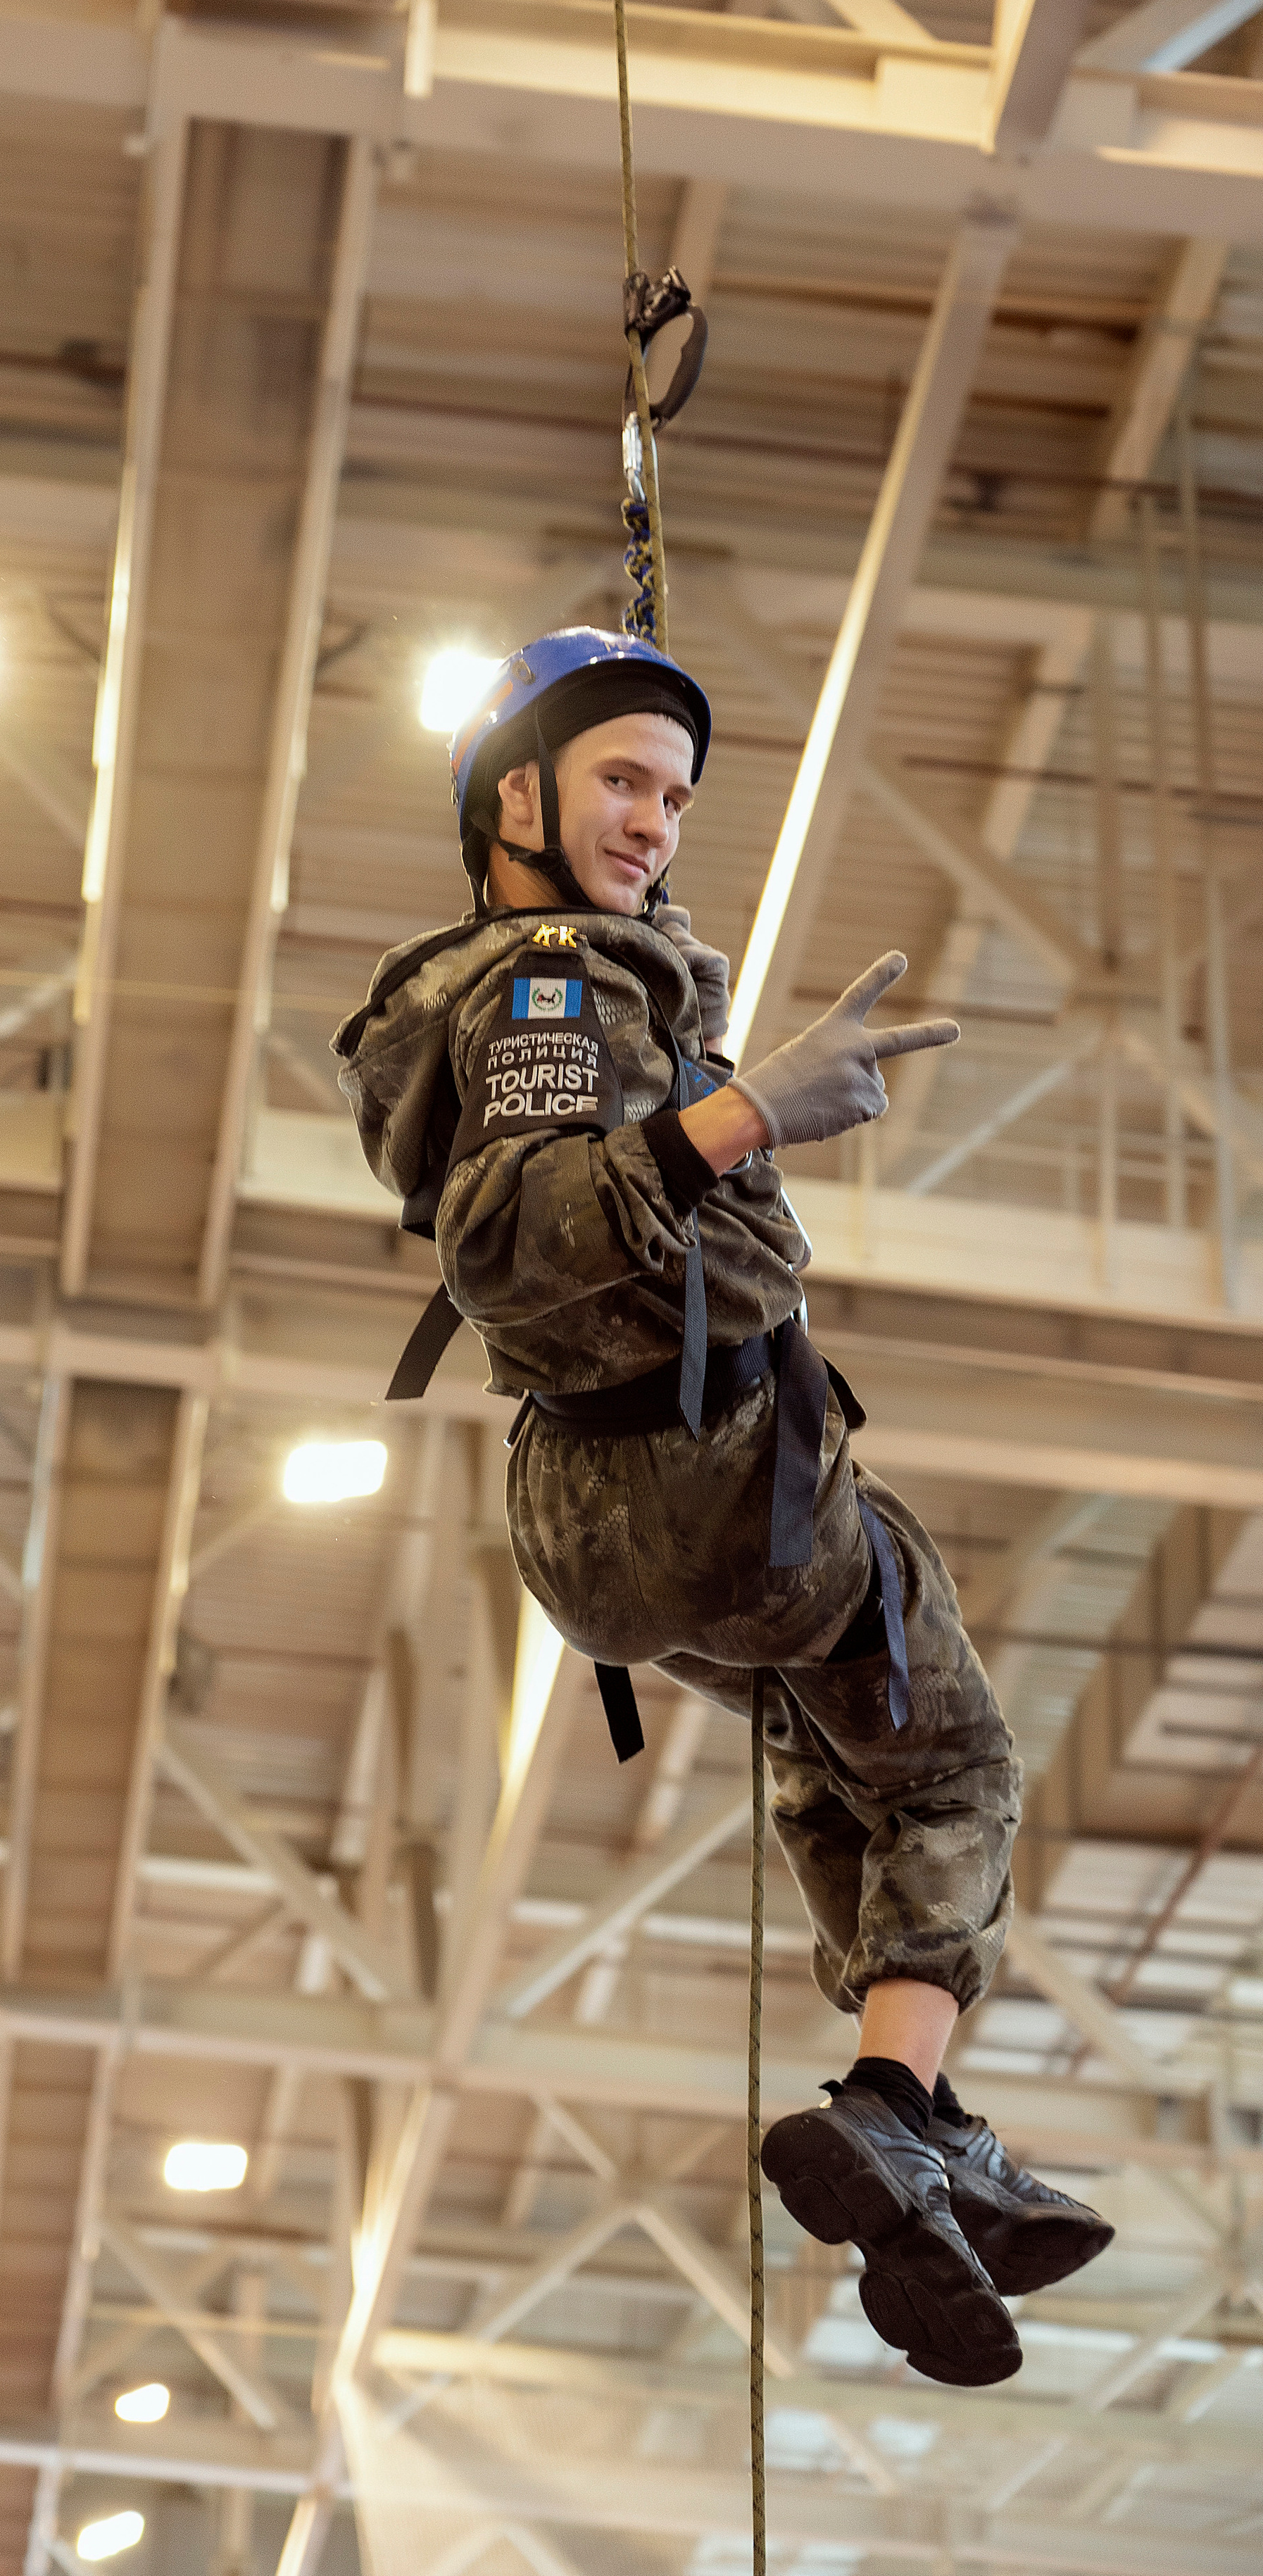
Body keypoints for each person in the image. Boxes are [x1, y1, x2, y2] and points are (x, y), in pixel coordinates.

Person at [332, 627, 1112, 2388]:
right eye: (620, 779)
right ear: (512, 795)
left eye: (675, 796)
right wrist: (744, 1110)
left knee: (830, 1738)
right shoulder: (547, 982)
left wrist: (679, 1026)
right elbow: (511, 1242)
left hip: (590, 1517)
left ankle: (916, 2135)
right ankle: (898, 2102)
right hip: (705, 1475)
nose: (654, 822)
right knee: (951, 1754)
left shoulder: (541, 978)